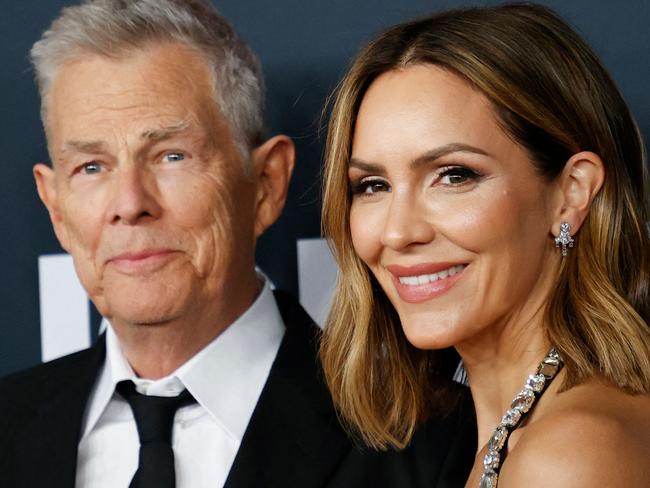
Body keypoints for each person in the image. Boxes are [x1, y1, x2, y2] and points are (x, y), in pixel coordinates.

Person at [0, 0, 476, 487]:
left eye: (171, 155)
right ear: (55, 207)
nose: (129, 203)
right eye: (91, 167)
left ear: (266, 184)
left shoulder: (430, 437)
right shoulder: (8, 429)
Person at [320, 3, 650, 487]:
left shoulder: (572, 455)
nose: (397, 232)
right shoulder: (522, 433)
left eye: (454, 176)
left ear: (571, 192)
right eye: (372, 185)